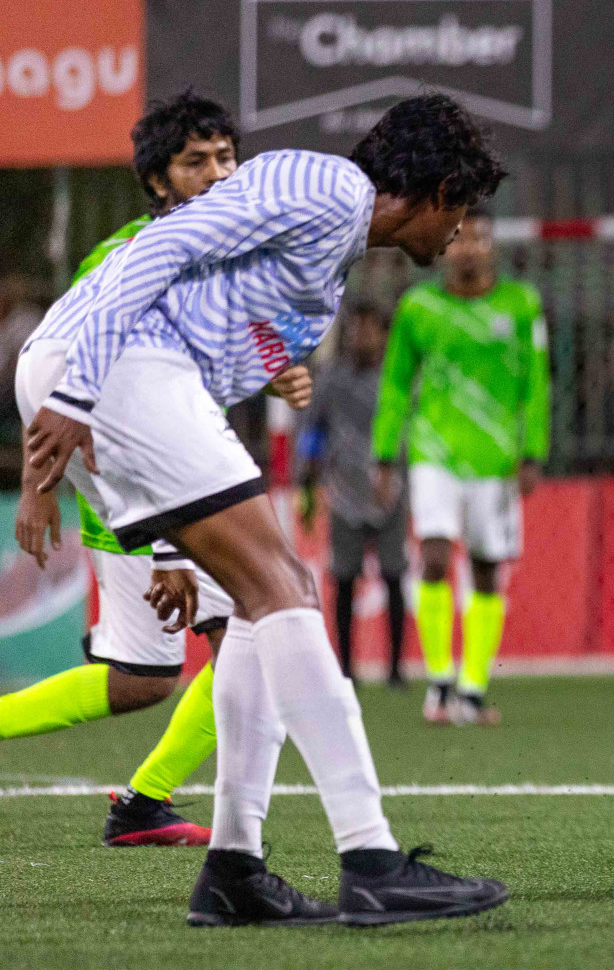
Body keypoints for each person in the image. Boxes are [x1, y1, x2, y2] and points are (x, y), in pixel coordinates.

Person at [15, 93, 509, 927]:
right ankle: (371, 856)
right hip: (114, 364)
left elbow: (191, 391)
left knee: (254, 605)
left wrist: (169, 546)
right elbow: (157, 247)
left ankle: (236, 867)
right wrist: (76, 388)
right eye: (460, 209)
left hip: (134, 379)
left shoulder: (332, 246)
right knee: (288, 589)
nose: (458, 231)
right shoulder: (321, 187)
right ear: (435, 189)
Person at [1, 90, 310, 848]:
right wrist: (46, 493)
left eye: (226, 156)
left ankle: (143, 806)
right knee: (262, 616)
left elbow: (233, 341)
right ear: (158, 182)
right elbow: (65, 378)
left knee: (141, 678)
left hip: (136, 478)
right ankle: (155, 804)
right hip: (129, 476)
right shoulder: (132, 256)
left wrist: (274, 368)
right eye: (194, 161)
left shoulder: (227, 250)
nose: (216, 172)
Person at [371, 205, 550, 727]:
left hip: (494, 460)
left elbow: (535, 386)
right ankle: (440, 681)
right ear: (445, 246)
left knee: (488, 569)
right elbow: (396, 384)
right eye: (459, 238)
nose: (469, 248)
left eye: (479, 238)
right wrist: (386, 453)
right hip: (434, 453)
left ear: (492, 245)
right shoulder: (418, 307)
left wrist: (532, 450)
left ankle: (473, 689)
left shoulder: (521, 304)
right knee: (431, 555)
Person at [298, 301, 409, 685]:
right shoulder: (331, 379)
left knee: (395, 575)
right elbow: (313, 431)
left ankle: (396, 668)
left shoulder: (398, 378)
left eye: (370, 328)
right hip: (344, 493)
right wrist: (307, 484)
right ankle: (346, 668)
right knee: (343, 579)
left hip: (390, 490)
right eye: (356, 328)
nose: (362, 337)